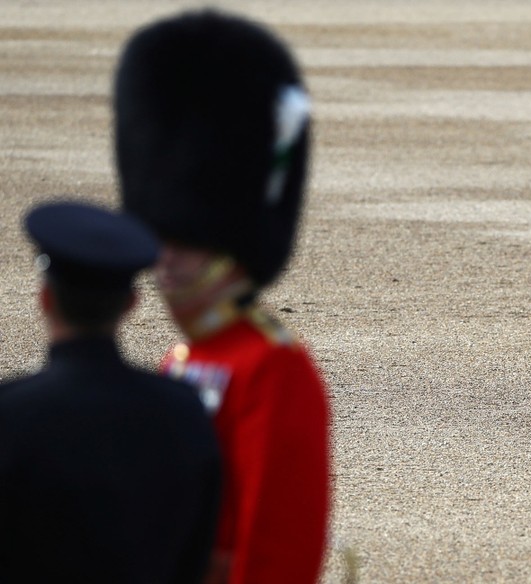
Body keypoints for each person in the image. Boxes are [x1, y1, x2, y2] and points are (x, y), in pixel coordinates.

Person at [113, 10, 331, 584]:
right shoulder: (185, 361)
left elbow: (274, 552)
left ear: (228, 248)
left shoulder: (273, 369)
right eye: (160, 239)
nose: (163, 260)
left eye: (182, 243)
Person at [0, 201, 221, 584]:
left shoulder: (11, 413)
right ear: (131, 305)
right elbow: (199, 551)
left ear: (45, 299)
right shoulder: (184, 410)